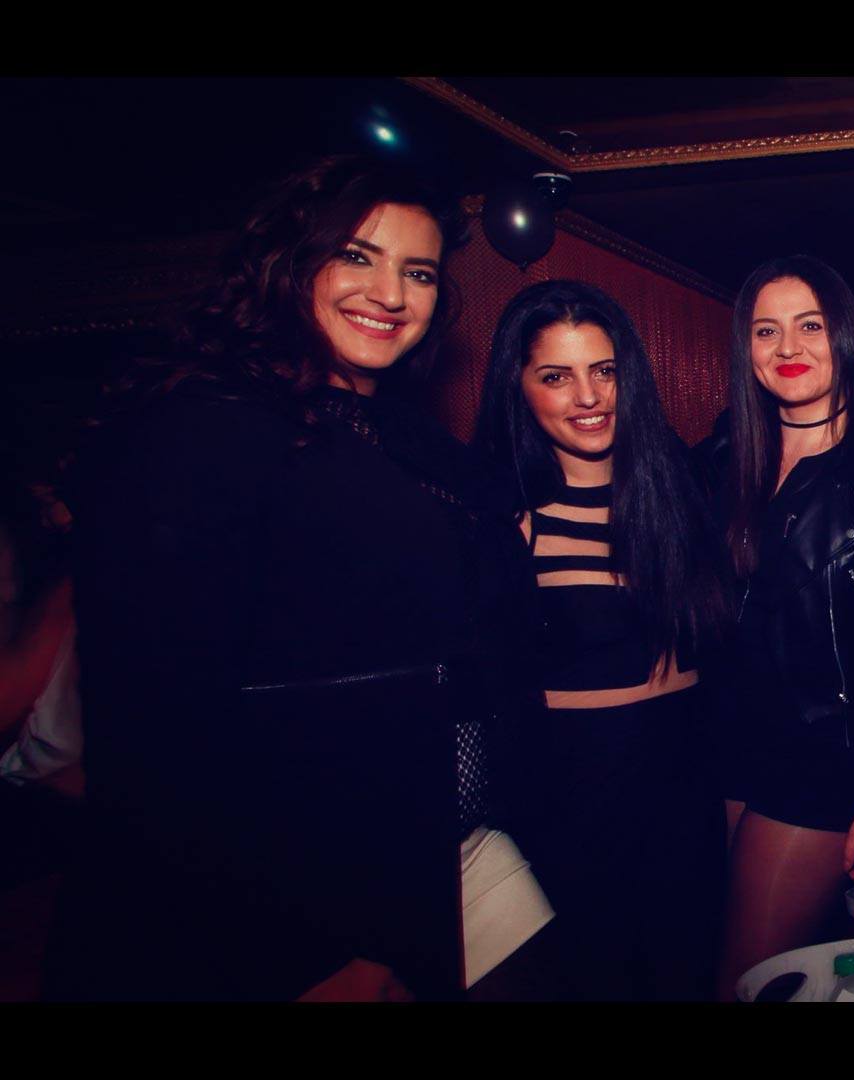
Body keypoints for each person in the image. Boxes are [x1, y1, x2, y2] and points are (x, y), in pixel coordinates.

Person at [48, 156, 548, 1001]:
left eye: (419, 272)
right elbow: (157, 729)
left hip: (443, 849)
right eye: (357, 256)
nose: (390, 294)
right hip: (303, 894)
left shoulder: (407, 439)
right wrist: (325, 950)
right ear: (291, 263)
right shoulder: (200, 427)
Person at [476, 279, 731, 999]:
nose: (588, 397)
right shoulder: (503, 518)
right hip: (579, 790)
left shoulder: (676, 490)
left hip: (686, 780)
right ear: (520, 387)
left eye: (605, 370)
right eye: (557, 376)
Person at [707, 255, 854, 997]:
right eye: (766, 330)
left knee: (748, 980)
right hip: (736, 743)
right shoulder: (729, 452)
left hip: (824, 757)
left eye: (809, 326)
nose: (788, 347)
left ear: (843, 336)